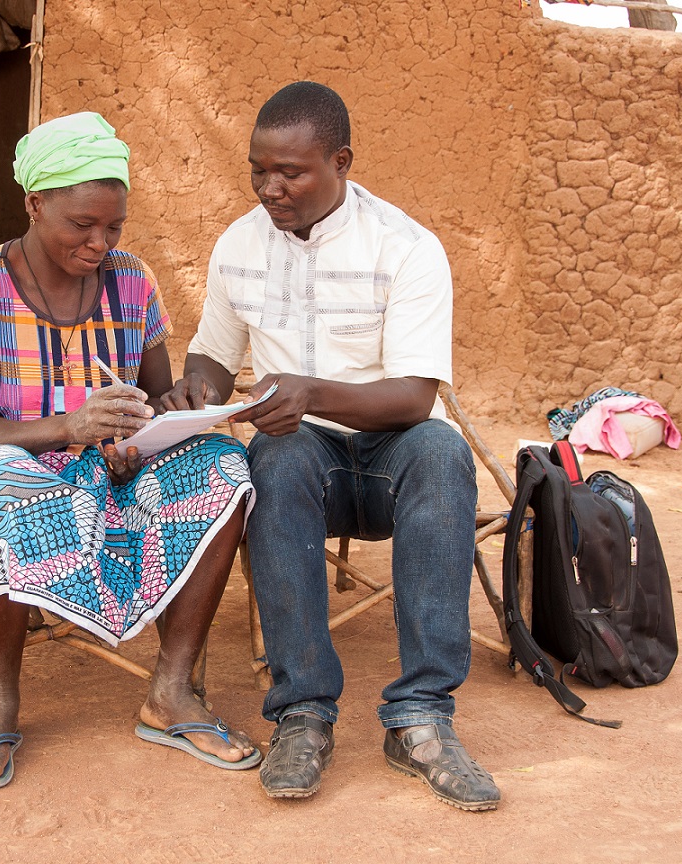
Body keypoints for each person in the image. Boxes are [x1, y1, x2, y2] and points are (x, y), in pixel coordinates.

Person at [161, 83, 500, 811]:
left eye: (291, 172)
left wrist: (310, 391)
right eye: (258, 170)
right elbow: (214, 355)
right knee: (273, 460)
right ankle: (302, 712)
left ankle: (420, 718)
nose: (270, 188)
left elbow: (413, 396)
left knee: (442, 452)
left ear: (340, 161)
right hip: (301, 451)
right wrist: (195, 386)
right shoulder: (238, 242)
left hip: (391, 455)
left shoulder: (404, 246)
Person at [0, 112, 258, 789]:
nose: (98, 243)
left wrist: (157, 427)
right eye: (81, 225)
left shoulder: (131, 281)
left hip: (110, 480)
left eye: (113, 228)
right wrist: (67, 428)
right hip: (14, 480)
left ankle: (170, 691)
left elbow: (155, 401)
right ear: (34, 202)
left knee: (222, 462)